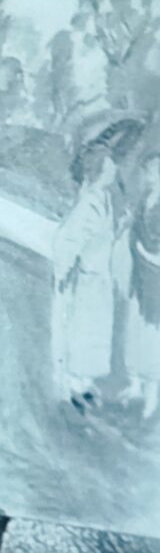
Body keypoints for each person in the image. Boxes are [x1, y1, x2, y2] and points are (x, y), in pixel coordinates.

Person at [50, 142, 120, 412]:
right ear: (99, 169)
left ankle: (84, 383)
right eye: (109, 163)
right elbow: (68, 241)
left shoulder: (103, 199)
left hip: (99, 277)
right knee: (80, 331)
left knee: (94, 332)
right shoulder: (89, 202)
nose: (113, 167)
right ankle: (73, 387)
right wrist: (64, 271)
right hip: (86, 278)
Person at [116, 151, 160, 418]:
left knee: (153, 335)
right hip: (140, 276)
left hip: (156, 281)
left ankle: (151, 396)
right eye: (149, 171)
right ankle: (134, 385)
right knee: (134, 329)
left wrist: (144, 253)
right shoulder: (146, 198)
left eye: (154, 170)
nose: (150, 175)